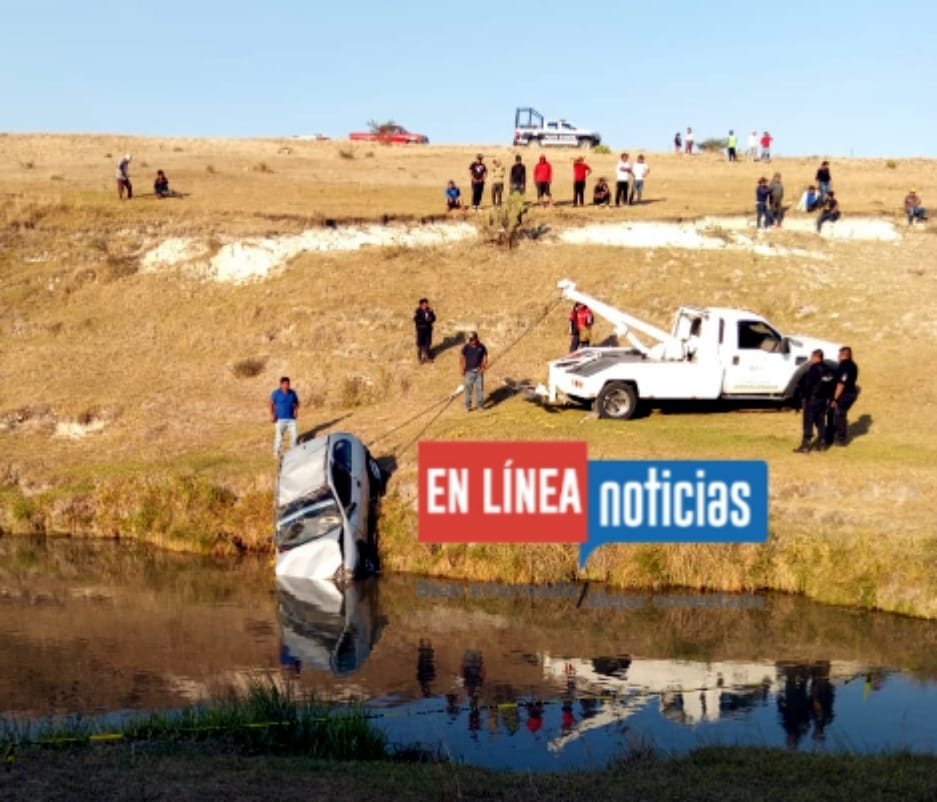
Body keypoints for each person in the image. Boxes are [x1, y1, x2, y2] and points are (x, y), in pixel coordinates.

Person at [793, 349, 834, 453]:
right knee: (820, 421)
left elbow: (808, 384)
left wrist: (803, 397)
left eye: (812, 357)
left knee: (808, 421)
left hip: (812, 399)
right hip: (823, 400)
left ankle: (805, 445)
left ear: (816, 357)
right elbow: (831, 386)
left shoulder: (814, 369)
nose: (811, 359)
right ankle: (822, 443)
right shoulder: (828, 370)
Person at [829, 346, 859, 446]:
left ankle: (841, 439)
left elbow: (841, 384)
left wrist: (835, 398)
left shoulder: (844, 366)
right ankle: (836, 436)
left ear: (843, 355)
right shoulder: (853, 365)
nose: (838, 356)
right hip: (851, 393)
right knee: (838, 414)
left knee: (839, 414)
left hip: (845, 394)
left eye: (839, 354)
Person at [270, 376, 299, 458]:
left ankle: (293, 451)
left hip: (291, 419)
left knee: (295, 435)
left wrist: (296, 411)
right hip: (280, 419)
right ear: (281, 384)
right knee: (279, 437)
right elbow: (271, 404)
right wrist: (272, 415)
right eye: (285, 384)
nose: (287, 386)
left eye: (288, 384)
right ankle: (276, 453)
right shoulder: (276, 393)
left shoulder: (292, 393)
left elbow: (296, 403)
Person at [460, 331, 488, 411]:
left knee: (479, 389)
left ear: (476, 338)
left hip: (479, 372)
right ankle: (467, 406)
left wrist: (483, 367)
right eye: (470, 340)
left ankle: (480, 406)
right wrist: (462, 368)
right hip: (469, 372)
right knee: (468, 389)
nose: (472, 341)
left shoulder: (482, 347)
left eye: (473, 339)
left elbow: (485, 357)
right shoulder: (466, 347)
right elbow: (461, 357)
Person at [413, 297, 437, 363]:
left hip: (428, 330)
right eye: (425, 304)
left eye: (427, 303)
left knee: (427, 343)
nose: (426, 305)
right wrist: (424, 320)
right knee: (420, 344)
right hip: (420, 330)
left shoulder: (430, 310)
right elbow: (415, 319)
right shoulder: (417, 311)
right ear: (421, 305)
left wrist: (430, 319)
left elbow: (434, 318)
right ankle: (419, 358)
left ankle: (427, 357)